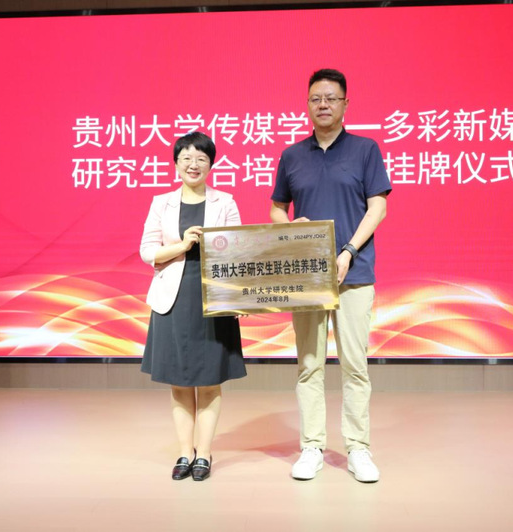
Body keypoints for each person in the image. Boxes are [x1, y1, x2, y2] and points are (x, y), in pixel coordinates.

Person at [270, 69, 391, 483]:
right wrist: (290, 227)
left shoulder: (365, 149)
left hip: (354, 272)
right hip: (307, 277)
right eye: (315, 98)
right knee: (309, 365)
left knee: (355, 365)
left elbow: (378, 207)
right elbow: (276, 209)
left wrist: (349, 250)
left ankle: (358, 449)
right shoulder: (292, 155)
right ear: (307, 104)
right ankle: (312, 447)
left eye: (331, 98)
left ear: (345, 104)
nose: (323, 104)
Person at [140, 131, 246, 481]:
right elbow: (147, 251)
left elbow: (238, 251)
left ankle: (205, 454)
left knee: (210, 381)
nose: (193, 164)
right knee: (180, 382)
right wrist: (182, 246)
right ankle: (185, 453)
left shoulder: (225, 202)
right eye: (186, 158)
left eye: (201, 158)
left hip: (214, 301)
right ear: (176, 164)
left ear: (211, 164)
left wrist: (240, 296)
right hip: (173, 300)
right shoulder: (161, 203)